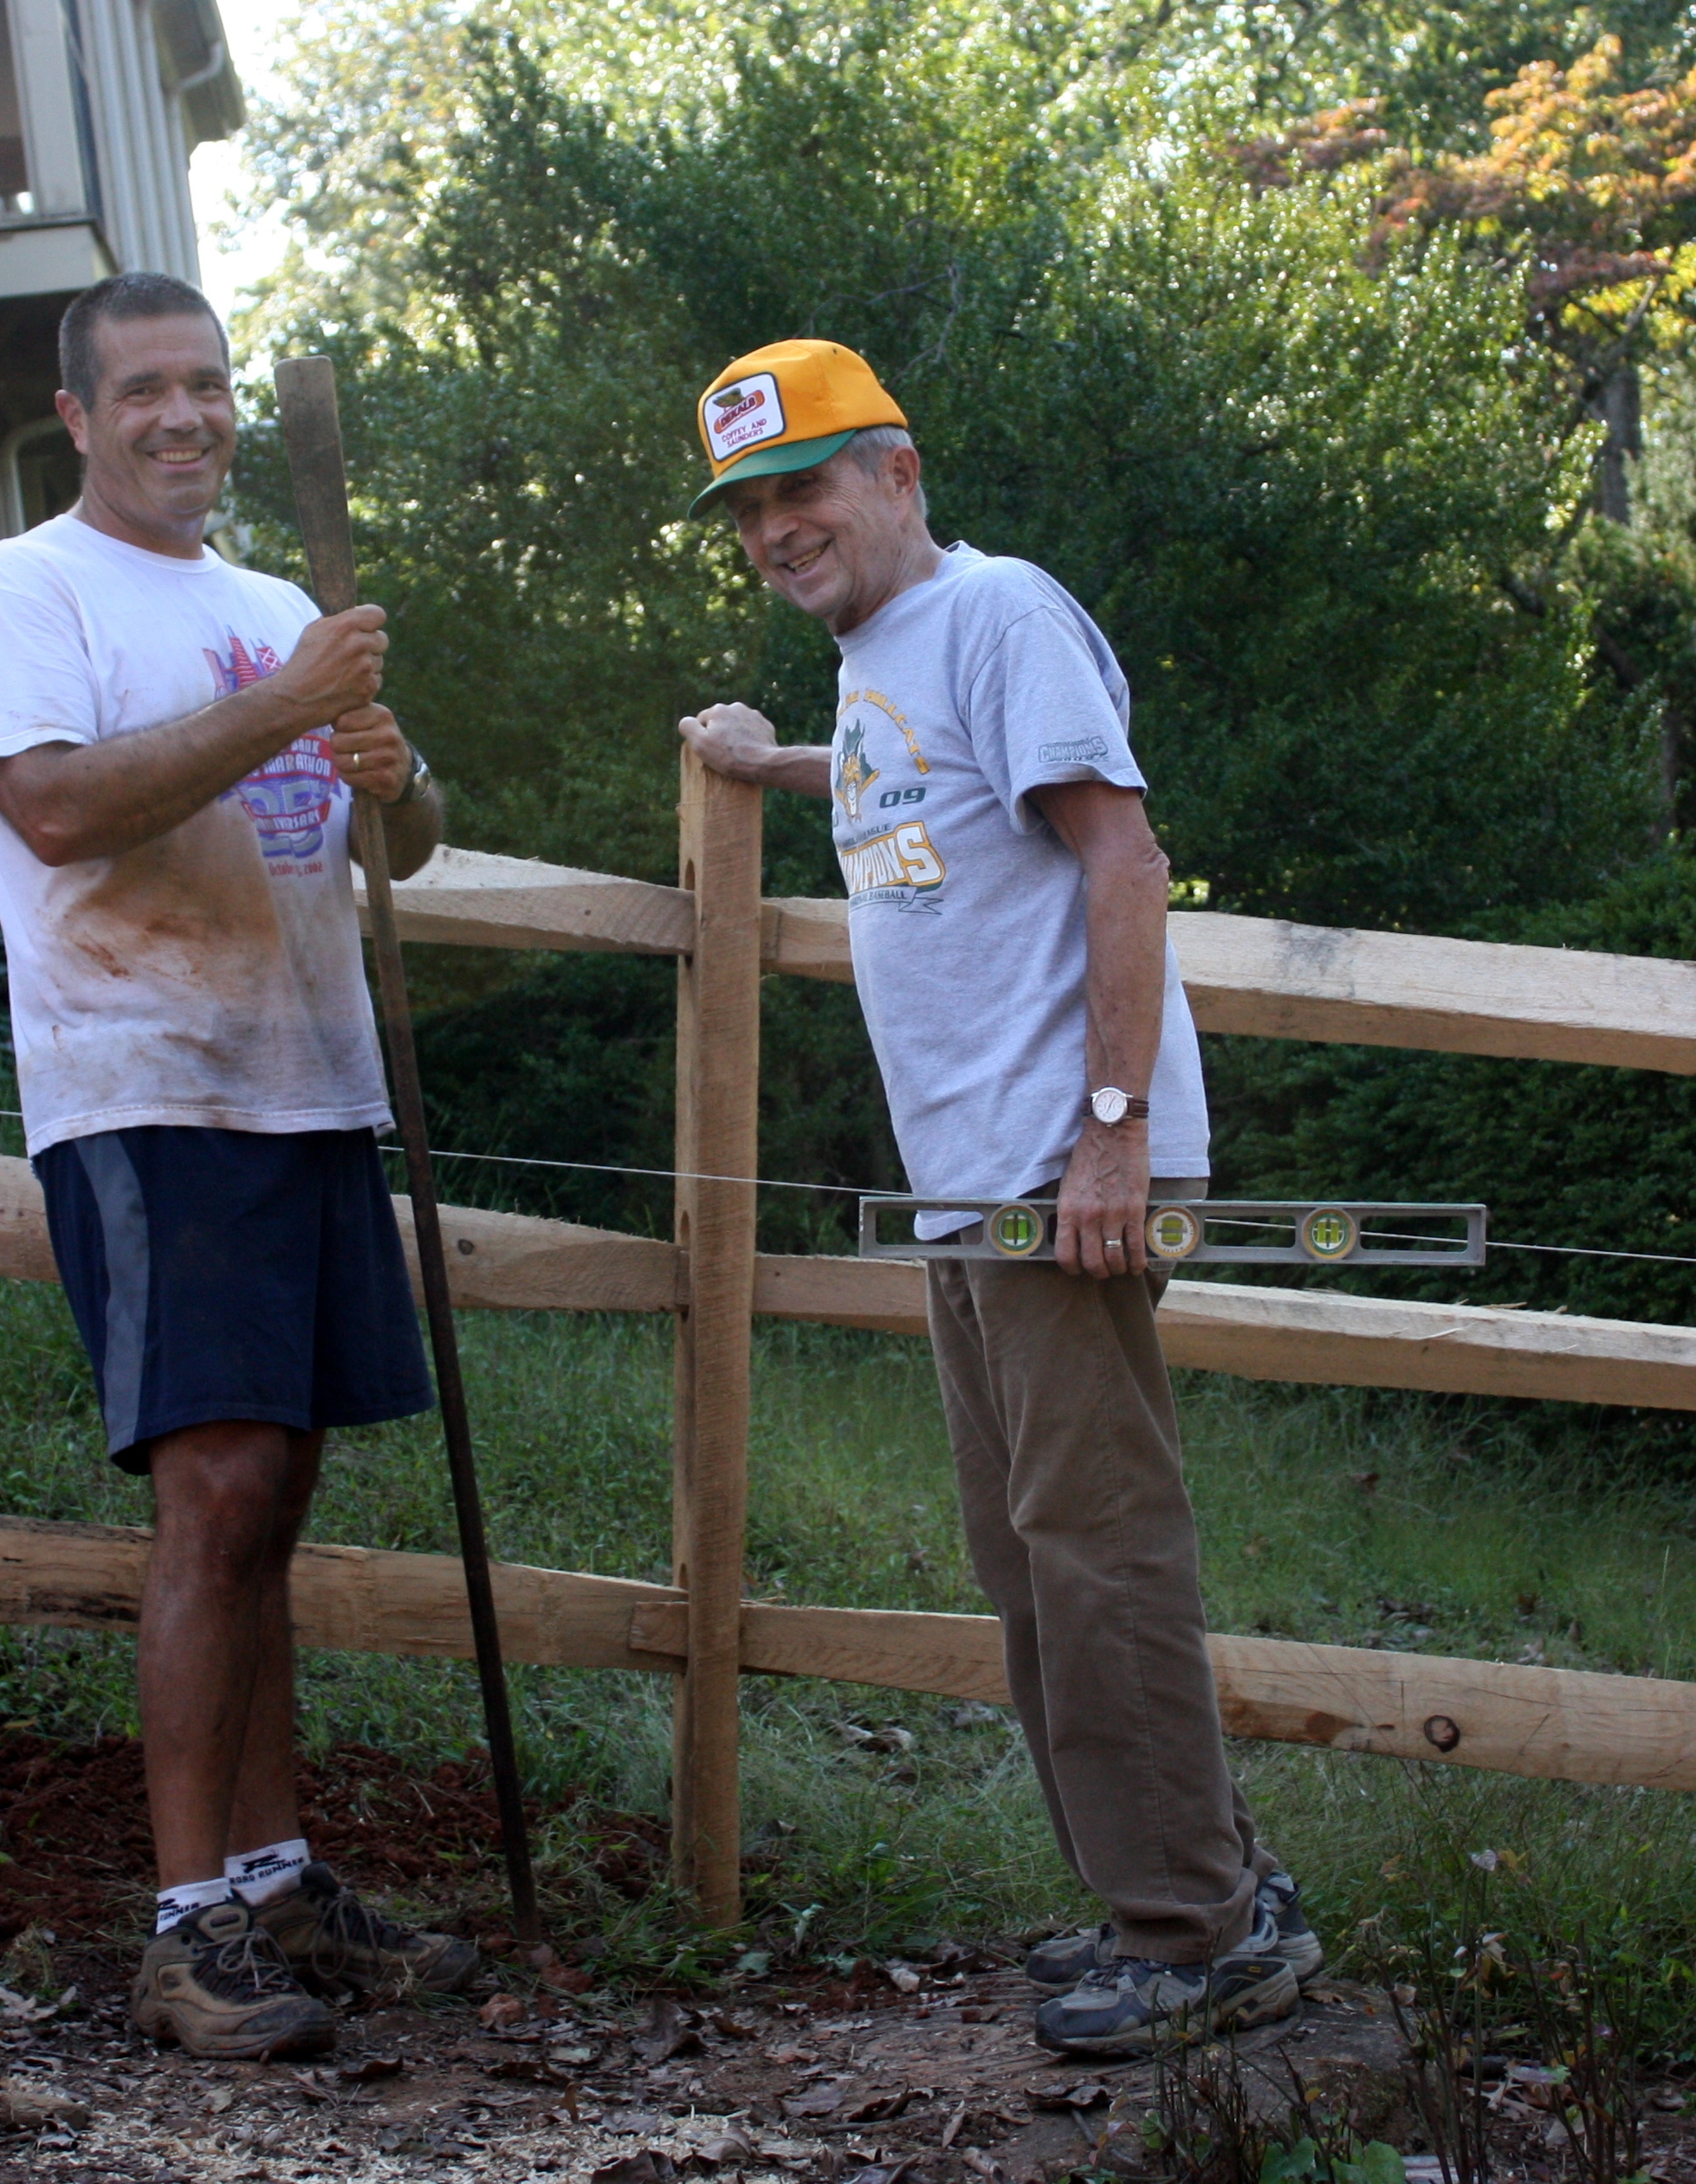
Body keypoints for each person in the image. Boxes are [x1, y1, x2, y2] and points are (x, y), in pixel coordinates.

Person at [673, 339, 1322, 2057]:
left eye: (802, 486)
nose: (775, 530)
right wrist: (773, 761)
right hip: (981, 1179)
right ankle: (1182, 1893)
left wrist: (1109, 1132)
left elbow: (1125, 854)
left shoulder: (999, 609)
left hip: (1059, 1167)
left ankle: (1202, 1934)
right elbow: (928, 788)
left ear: (897, 469)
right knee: (1033, 1561)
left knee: (1096, 1553)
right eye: (748, 510)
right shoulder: (891, 658)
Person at [0, 271, 478, 2060]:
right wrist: (296, 698)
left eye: (209, 386)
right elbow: (64, 808)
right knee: (215, 1491)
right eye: (145, 390)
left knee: (278, 1499)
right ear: (78, 417)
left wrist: (390, 775)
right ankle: (182, 1930)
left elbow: (408, 837)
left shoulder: (270, 606)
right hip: (147, 1085)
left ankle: (275, 1876)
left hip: (306, 1085)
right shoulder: (25, 591)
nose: (187, 416)